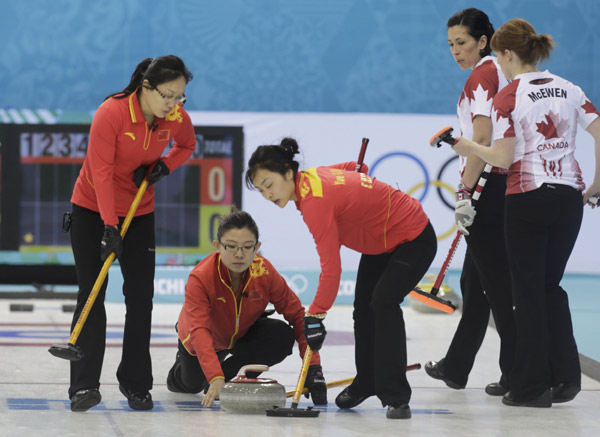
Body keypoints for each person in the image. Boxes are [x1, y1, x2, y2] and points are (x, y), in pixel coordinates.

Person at [452, 18, 600, 407]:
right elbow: (599, 130)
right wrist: (598, 182)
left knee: (528, 292)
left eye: (498, 57)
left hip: (526, 198)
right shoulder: (570, 88)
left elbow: (502, 155)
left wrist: (468, 148)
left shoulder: (509, 96)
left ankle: (531, 387)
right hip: (569, 199)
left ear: (506, 53)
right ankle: (566, 377)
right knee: (551, 288)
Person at [245, 138, 437, 420]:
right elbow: (354, 168)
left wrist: (315, 314)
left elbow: (331, 268)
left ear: (288, 172)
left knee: (384, 303)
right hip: (380, 241)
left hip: (412, 236)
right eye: (261, 191)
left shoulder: (314, 203)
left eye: (269, 185)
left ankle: (396, 396)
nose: (268, 195)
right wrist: (356, 179)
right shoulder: (310, 178)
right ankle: (367, 381)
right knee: (363, 309)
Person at [67, 55, 196, 412]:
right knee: (92, 293)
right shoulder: (111, 113)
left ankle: (136, 384)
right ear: (147, 87)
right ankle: (83, 386)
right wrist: (109, 225)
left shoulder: (175, 119)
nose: (174, 104)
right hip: (93, 211)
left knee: (140, 299)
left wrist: (164, 167)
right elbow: (101, 171)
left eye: (180, 97)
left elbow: (187, 145)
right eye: (168, 95)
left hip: (140, 213)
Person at [425, 8, 516, 397]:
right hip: (496, 185)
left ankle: (519, 373)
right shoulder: (497, 71)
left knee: (496, 288)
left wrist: (465, 189)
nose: (455, 50)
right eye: (450, 44)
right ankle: (457, 367)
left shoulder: (482, 73)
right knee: (473, 282)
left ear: (482, 41)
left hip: (487, 186)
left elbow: (482, 133)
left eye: (461, 42)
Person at [166, 208, 327, 407]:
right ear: (217, 246)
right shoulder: (200, 277)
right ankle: (180, 370)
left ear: (256, 247)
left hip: (242, 331)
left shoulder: (264, 271)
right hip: (200, 335)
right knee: (191, 385)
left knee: (282, 336)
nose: (239, 254)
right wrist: (215, 377)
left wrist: (313, 368)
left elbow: (298, 316)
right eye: (231, 247)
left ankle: (231, 374)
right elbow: (199, 330)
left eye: (247, 247)